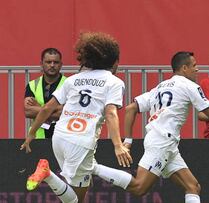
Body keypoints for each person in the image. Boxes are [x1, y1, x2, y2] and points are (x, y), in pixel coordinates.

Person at [20, 32, 133, 203]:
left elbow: (46, 109)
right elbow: (110, 112)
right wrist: (118, 145)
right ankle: (47, 174)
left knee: (82, 186)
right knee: (75, 201)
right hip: (80, 141)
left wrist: (31, 133)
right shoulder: (114, 82)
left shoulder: (73, 80)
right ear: (115, 61)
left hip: (59, 137)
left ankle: (48, 173)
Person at [122, 51, 209, 203]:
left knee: (193, 187)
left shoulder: (160, 87)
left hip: (166, 143)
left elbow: (130, 109)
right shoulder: (190, 86)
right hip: (162, 142)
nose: (197, 69)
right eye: (194, 66)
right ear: (184, 68)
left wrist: (128, 140)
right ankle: (96, 169)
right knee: (140, 187)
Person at [24, 48, 66, 139]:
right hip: (38, 138)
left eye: (56, 62)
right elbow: (28, 112)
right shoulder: (32, 85)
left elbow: (66, 113)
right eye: (48, 62)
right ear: (41, 64)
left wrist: (39, 107)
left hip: (63, 138)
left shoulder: (69, 84)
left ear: (61, 64)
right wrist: (54, 110)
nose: (52, 65)